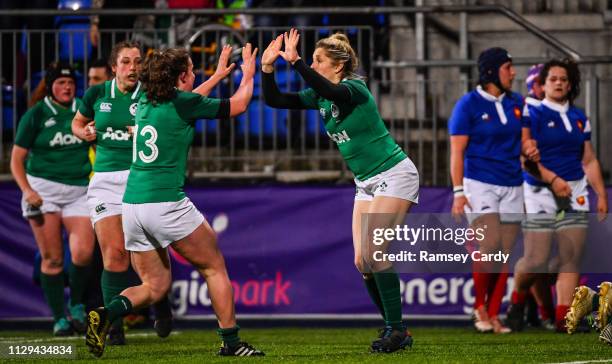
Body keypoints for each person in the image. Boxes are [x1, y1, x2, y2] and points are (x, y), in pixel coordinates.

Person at [84, 44, 263, 358]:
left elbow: (190, 100)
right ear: (182, 76)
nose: (195, 74)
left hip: (132, 206)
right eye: (192, 70)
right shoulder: (181, 103)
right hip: (166, 202)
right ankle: (232, 343)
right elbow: (240, 104)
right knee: (214, 268)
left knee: (155, 286)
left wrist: (218, 75)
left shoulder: (142, 100)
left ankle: (107, 312)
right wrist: (248, 73)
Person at [261, 29, 419, 353]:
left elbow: (329, 91)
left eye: (320, 60)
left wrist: (297, 63)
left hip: (394, 173)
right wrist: (266, 69)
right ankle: (394, 327)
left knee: (376, 254)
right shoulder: (320, 94)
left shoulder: (355, 88)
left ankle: (398, 329)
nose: (315, 66)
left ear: (338, 65)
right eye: (313, 60)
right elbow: (276, 100)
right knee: (363, 262)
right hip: (365, 183)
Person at [71, 41, 172, 345]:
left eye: (138, 62)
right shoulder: (96, 94)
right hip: (104, 182)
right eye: (126, 62)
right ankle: (112, 326)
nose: (133, 68)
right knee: (114, 256)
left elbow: (168, 132)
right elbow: (77, 123)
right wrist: (83, 132)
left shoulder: (151, 97)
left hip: (142, 178)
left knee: (154, 251)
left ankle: (161, 301)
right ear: (113, 67)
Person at [449, 47, 539, 334]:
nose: (513, 73)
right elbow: (456, 151)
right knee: (489, 248)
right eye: (507, 67)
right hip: (480, 184)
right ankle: (480, 309)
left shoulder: (518, 102)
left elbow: (525, 141)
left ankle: (494, 313)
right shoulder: (468, 104)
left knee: (504, 254)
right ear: (491, 71)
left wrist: (530, 149)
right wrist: (458, 192)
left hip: (513, 183)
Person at [514, 58, 608, 332]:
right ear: (541, 85)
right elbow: (525, 157)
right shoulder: (532, 114)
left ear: (571, 85)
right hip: (539, 192)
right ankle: (518, 301)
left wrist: (601, 193)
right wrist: (553, 180)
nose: (558, 83)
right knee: (536, 260)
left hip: (576, 191)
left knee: (570, 257)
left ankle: (563, 317)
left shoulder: (580, 118)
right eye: (553, 78)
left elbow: (588, 160)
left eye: (564, 79)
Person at [10, 62, 94, 336]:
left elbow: (99, 141)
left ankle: (77, 303)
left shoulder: (83, 109)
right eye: (60, 83)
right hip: (43, 192)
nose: (66, 87)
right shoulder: (35, 114)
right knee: (53, 259)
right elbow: (16, 160)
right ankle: (59, 318)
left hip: (79, 190)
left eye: (70, 83)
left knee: (83, 253)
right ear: (50, 86)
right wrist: (27, 191)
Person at [506, 63, 556, 331]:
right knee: (538, 256)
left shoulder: (565, 113)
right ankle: (536, 309)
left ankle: (530, 306)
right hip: (532, 189)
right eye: (541, 82)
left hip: (561, 191)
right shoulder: (527, 111)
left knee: (557, 259)